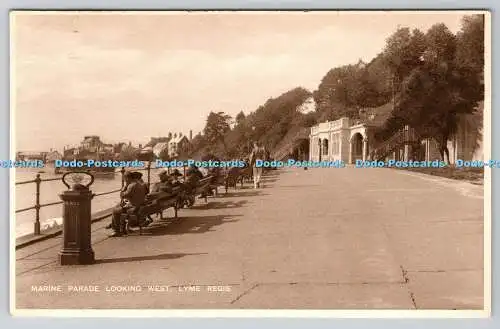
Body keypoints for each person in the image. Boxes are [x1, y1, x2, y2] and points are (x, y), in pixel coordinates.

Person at [107, 171, 148, 237]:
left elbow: (122, 195)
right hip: (140, 206)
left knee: (115, 211)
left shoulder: (131, 186)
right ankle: (122, 229)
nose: (124, 180)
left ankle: (116, 231)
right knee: (119, 206)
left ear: (127, 178)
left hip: (134, 208)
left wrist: (124, 187)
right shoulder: (140, 184)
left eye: (124, 178)